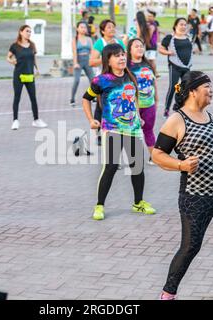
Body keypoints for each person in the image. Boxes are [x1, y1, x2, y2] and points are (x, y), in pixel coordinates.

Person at [152, 71, 213, 300]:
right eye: (207, 85)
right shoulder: (177, 119)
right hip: (196, 195)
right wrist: (181, 165)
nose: (211, 90)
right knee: (190, 246)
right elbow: (157, 155)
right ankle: (168, 294)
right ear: (192, 91)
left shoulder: (209, 114)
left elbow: (212, 151)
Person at [82, 43, 156, 221]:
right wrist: (91, 120)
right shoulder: (101, 80)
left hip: (133, 129)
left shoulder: (130, 76)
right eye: (117, 55)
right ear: (108, 59)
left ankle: (138, 203)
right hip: (112, 129)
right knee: (111, 167)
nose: (122, 58)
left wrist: (138, 116)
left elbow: (134, 99)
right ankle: (99, 206)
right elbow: (86, 99)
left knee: (137, 166)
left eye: (123, 54)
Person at [89, 19, 126, 145]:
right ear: (103, 30)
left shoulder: (119, 42)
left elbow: (125, 58)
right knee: (101, 105)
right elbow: (92, 62)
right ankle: (98, 133)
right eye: (109, 27)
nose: (112, 29)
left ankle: (119, 129)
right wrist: (107, 58)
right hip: (104, 79)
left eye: (113, 26)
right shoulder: (100, 43)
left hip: (119, 79)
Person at [7, 25, 48, 130]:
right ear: (21, 32)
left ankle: (36, 120)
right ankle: (15, 120)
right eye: (27, 31)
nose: (29, 33)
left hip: (30, 75)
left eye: (30, 32)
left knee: (33, 98)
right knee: (17, 97)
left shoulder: (32, 45)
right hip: (19, 75)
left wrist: (37, 69)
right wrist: (12, 61)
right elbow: (8, 57)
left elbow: (34, 58)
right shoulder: (15, 46)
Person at [127, 38, 158, 165]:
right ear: (129, 50)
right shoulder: (127, 67)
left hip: (149, 105)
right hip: (133, 107)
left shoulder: (148, 64)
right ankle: (117, 160)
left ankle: (154, 157)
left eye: (141, 46)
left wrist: (156, 101)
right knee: (129, 134)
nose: (140, 48)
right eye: (136, 46)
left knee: (149, 130)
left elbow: (153, 83)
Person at [159, 18, 193, 118]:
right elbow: (161, 49)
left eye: (184, 25)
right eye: (181, 24)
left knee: (184, 88)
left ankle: (180, 107)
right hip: (174, 66)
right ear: (175, 26)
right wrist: (168, 52)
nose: (183, 26)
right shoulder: (170, 37)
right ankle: (166, 109)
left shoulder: (188, 37)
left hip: (186, 67)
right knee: (174, 86)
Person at [70, 22, 94, 107]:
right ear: (77, 29)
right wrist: (75, 63)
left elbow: (92, 51)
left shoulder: (89, 39)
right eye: (81, 27)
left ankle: (92, 96)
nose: (83, 29)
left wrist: (93, 60)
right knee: (76, 80)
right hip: (79, 61)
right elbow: (74, 52)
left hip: (87, 60)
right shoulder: (75, 39)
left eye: (85, 27)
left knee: (93, 80)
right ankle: (72, 99)